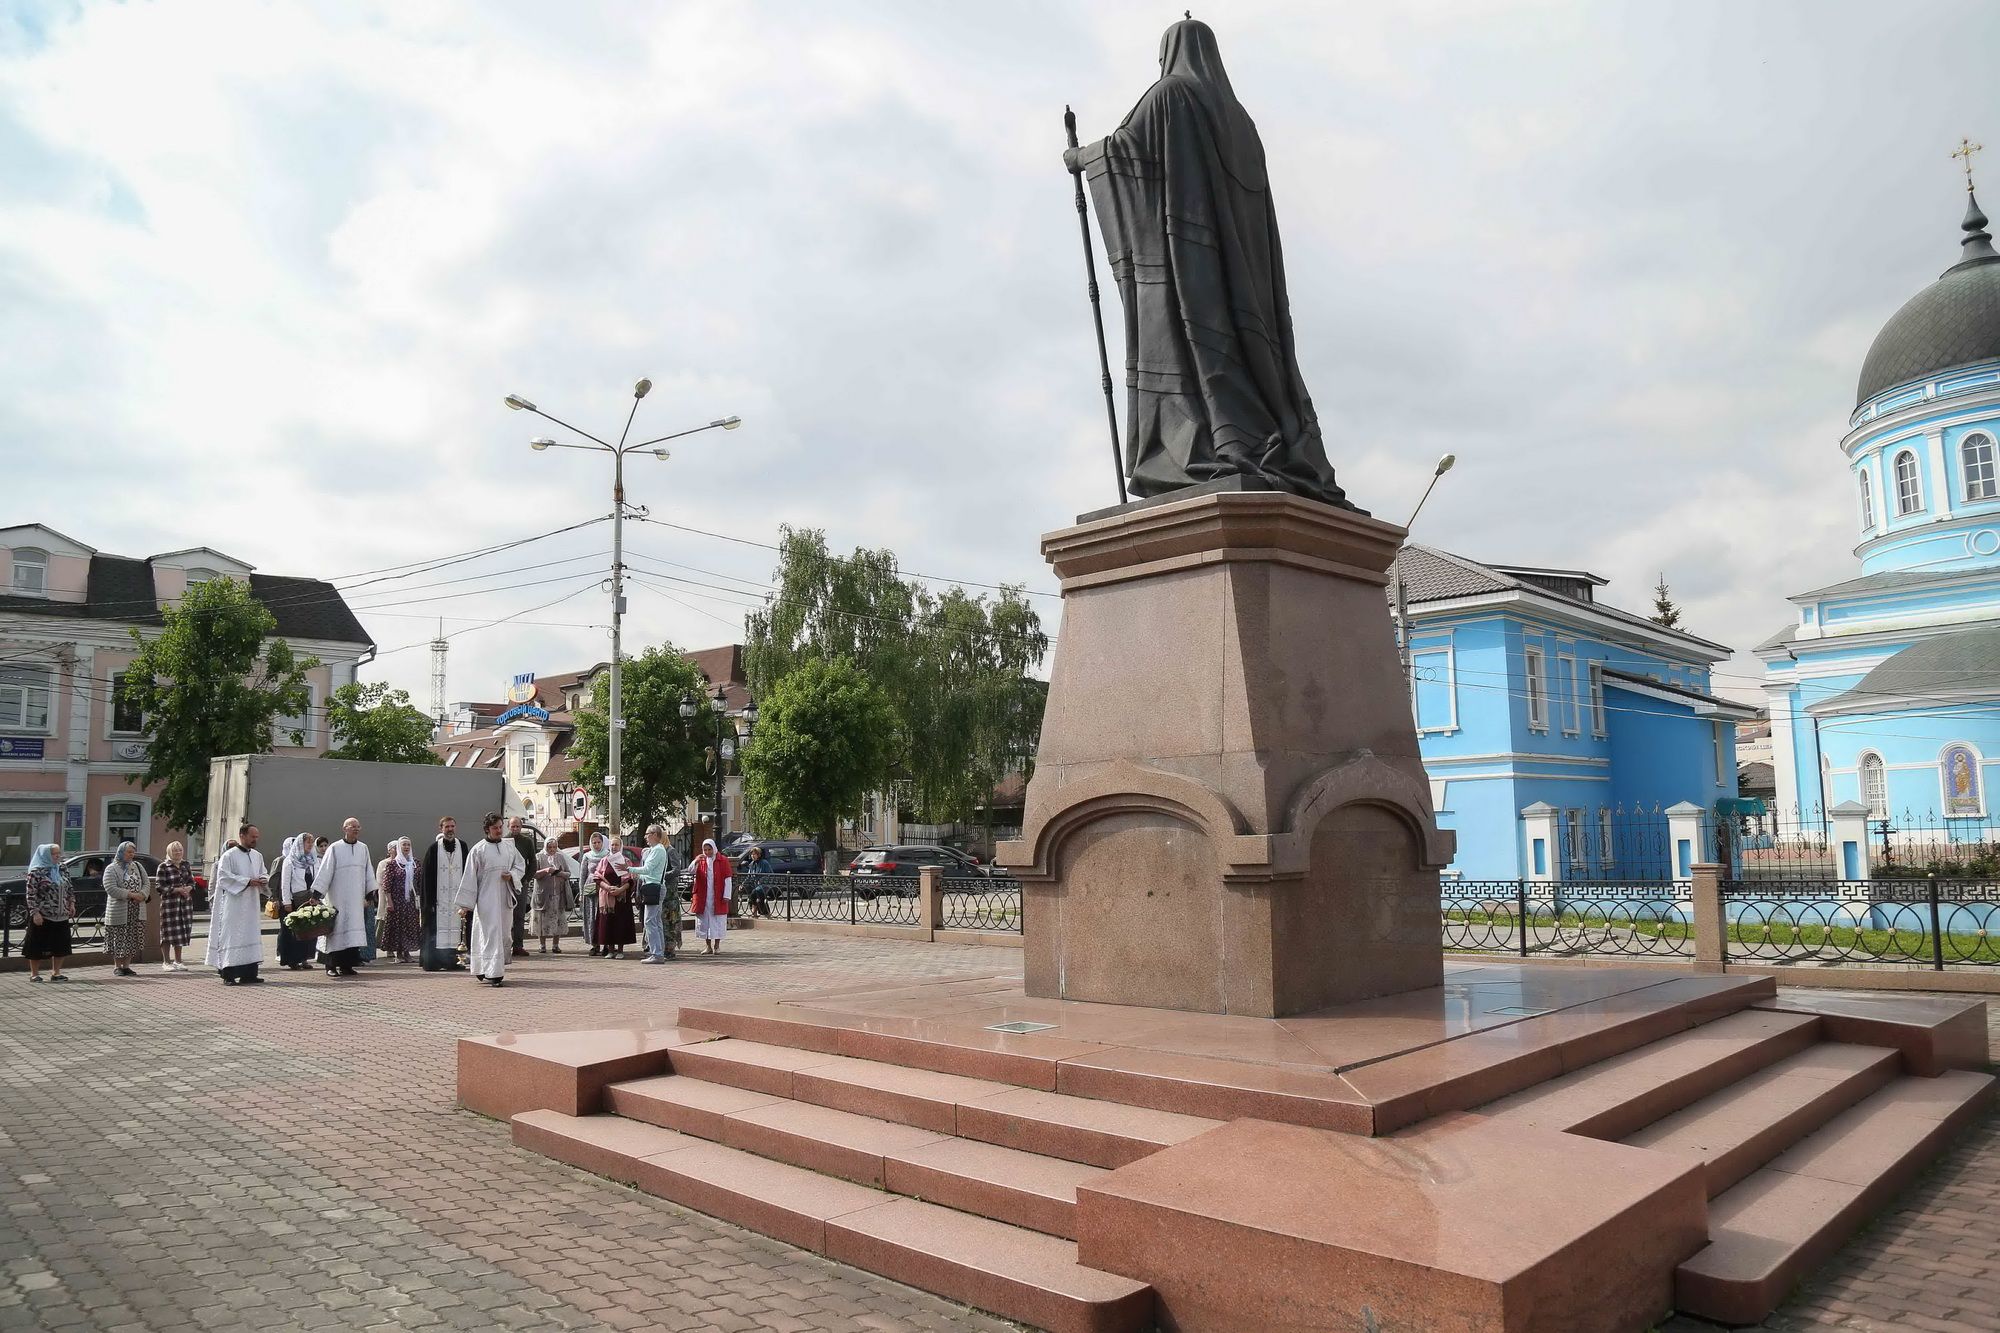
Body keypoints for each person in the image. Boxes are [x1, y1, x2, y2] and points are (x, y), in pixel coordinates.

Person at [457, 812, 525, 986]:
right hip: (486, 899)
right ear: (487, 829)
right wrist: (466, 905)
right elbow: (470, 877)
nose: (499, 831)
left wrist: (512, 876)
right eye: (495, 828)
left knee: (502, 934)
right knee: (489, 934)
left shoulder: (509, 846)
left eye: (501, 827)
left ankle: (487, 968)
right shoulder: (478, 850)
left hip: (504, 898)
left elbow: (520, 865)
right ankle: (492, 973)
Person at [207, 824, 269, 985]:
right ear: (242, 835)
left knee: (250, 933)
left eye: (257, 837)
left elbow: (263, 872)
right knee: (233, 936)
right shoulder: (228, 856)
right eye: (252, 836)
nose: (255, 839)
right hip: (234, 904)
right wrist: (247, 881)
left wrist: (263, 879)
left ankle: (249, 973)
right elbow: (223, 878)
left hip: (251, 903)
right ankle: (229, 974)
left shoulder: (257, 855)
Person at [315, 818, 372, 978]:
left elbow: (368, 870)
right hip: (337, 897)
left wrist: (369, 891)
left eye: (358, 827)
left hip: (354, 898)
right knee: (336, 931)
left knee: (352, 932)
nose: (356, 829)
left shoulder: (363, 848)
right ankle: (330, 966)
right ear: (344, 829)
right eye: (352, 827)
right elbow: (325, 872)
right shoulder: (334, 848)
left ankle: (347, 965)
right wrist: (317, 894)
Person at [418, 817, 468, 972]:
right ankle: (433, 962)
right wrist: (428, 903)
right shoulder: (433, 849)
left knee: (457, 932)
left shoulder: (463, 847)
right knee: (435, 932)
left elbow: (468, 873)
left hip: (457, 902)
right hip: (438, 902)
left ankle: (455, 961)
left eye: (452, 826)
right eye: (447, 826)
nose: (450, 829)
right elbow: (426, 878)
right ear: (441, 828)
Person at [22, 844, 74, 983]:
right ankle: (35, 974)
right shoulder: (36, 872)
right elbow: (31, 894)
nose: (57, 856)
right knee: (36, 945)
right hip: (44, 915)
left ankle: (56, 973)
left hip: (61, 914)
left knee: (61, 945)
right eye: (54, 854)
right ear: (45, 855)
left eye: (58, 853)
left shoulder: (62, 869)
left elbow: (69, 888)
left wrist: (72, 903)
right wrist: (35, 913)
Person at [101, 842, 151, 978]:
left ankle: (127, 966)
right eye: (129, 852)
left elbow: (146, 883)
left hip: (136, 909)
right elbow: (110, 888)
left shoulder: (138, 867)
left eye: (133, 852)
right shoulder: (111, 868)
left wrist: (142, 895)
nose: (131, 855)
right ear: (121, 852)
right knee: (120, 937)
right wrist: (130, 895)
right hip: (120, 910)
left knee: (132, 937)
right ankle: (117, 966)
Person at [275, 831, 319, 970]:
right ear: (301, 843)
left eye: (312, 842)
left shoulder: (313, 859)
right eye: (308, 842)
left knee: (308, 930)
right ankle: (292, 960)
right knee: (294, 932)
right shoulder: (290, 860)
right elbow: (285, 882)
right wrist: (286, 901)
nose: (310, 845)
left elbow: (317, 877)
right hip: (295, 899)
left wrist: (317, 896)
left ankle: (304, 958)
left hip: (309, 897)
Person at [375, 837, 421, 964]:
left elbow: (419, 882)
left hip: (411, 902)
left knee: (409, 926)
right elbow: (387, 885)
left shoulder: (415, 863)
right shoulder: (393, 864)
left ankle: (407, 952)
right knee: (398, 927)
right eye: (403, 845)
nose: (406, 847)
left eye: (408, 845)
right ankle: (398, 953)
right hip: (397, 901)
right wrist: (389, 901)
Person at [155, 841, 196, 971]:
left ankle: (178, 961)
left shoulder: (185, 865)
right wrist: (176, 890)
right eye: (175, 851)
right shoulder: (163, 866)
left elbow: (192, 882)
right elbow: (159, 886)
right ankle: (166, 962)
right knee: (167, 931)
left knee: (181, 932)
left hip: (185, 903)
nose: (178, 853)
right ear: (169, 852)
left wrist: (188, 888)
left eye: (180, 850)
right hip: (170, 904)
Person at [688, 837, 732, 956]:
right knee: (705, 921)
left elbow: (728, 878)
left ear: (714, 849)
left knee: (717, 921)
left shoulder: (722, 860)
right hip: (703, 895)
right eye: (705, 850)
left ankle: (717, 946)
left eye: (709, 849)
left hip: (717, 895)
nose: (707, 852)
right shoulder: (701, 860)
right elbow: (690, 871)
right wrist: (696, 861)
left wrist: (726, 894)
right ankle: (708, 946)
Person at [592, 845, 637, 959]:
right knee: (608, 923)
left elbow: (631, 880)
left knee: (620, 923)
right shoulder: (604, 861)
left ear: (620, 847)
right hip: (607, 897)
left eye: (617, 845)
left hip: (621, 898)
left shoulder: (625, 861)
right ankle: (610, 950)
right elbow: (597, 877)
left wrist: (620, 890)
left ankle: (620, 950)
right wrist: (607, 888)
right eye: (612, 844)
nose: (614, 847)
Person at [531, 840, 574, 953]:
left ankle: (555, 945)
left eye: (554, 847)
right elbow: (533, 874)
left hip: (558, 894)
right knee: (542, 919)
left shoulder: (560, 857)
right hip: (543, 894)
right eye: (550, 847)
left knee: (557, 919)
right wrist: (545, 870)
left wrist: (558, 873)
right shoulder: (539, 856)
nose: (552, 850)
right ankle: (542, 945)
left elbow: (568, 873)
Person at [508, 816, 538, 958]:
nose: (515, 829)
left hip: (521, 883)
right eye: (512, 826)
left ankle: (518, 945)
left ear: (521, 827)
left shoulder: (526, 841)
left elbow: (533, 861)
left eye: (517, 826)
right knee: (506, 916)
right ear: (508, 827)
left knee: (519, 916)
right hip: (506, 883)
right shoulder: (503, 841)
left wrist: (526, 879)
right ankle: (506, 945)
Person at [578, 831, 608, 954]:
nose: (596, 845)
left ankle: (606, 944)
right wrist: (581, 893)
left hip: (603, 888)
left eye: (598, 842)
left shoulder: (607, 855)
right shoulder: (587, 856)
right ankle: (594, 944)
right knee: (591, 917)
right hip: (590, 889)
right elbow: (582, 875)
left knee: (603, 916)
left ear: (602, 843)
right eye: (594, 843)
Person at [742, 845, 774, 918]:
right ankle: (763, 913)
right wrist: (743, 884)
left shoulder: (764, 863)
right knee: (758, 899)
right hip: (755, 885)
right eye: (752, 854)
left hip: (764, 885)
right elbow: (749, 876)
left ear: (758, 855)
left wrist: (762, 880)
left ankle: (755, 911)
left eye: (754, 854)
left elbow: (770, 874)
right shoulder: (752, 864)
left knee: (755, 893)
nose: (753, 856)